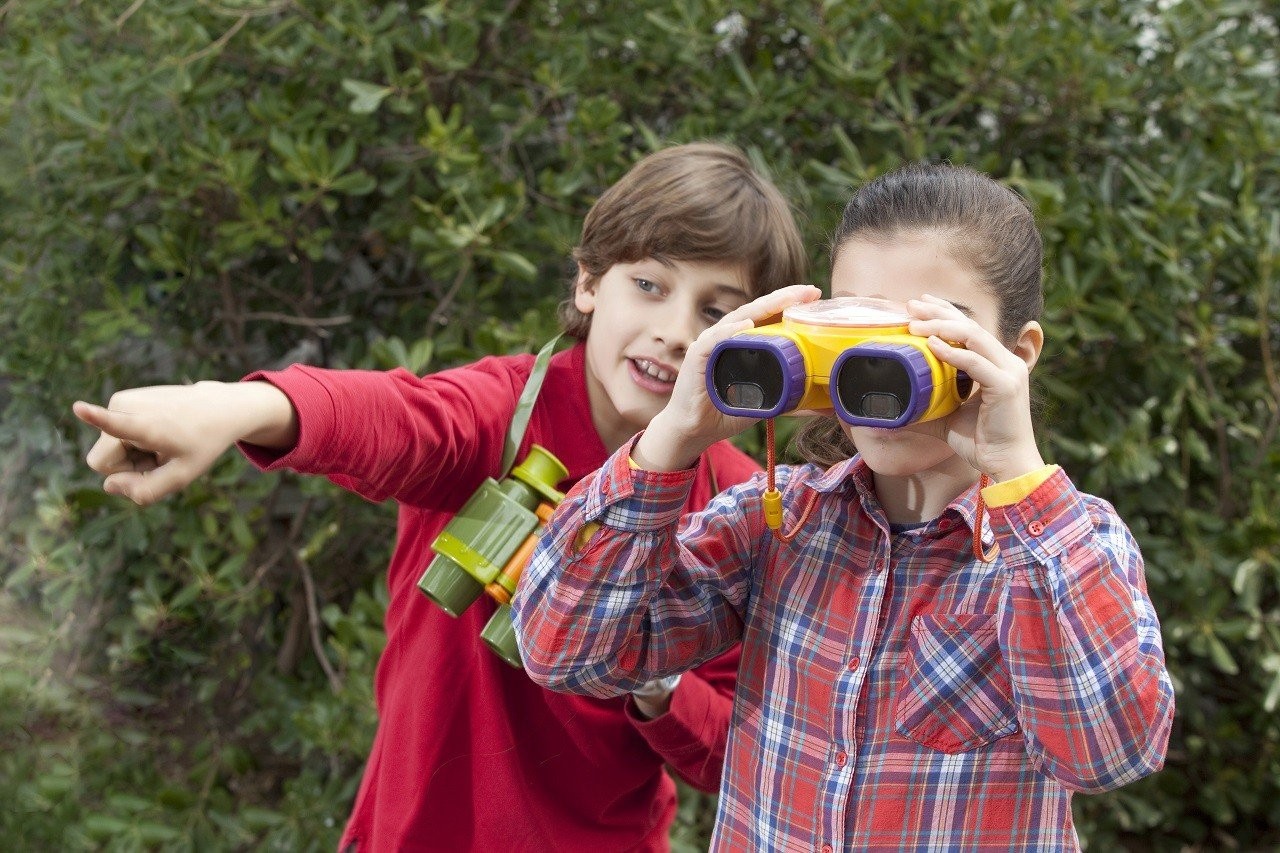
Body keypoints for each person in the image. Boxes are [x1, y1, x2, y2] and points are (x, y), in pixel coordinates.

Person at [71, 142, 810, 851]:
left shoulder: (739, 500)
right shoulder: (501, 414)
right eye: (648, 285)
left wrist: (654, 676)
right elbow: (391, 420)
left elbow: (739, 752)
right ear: (588, 282)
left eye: (716, 312)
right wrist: (234, 408)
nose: (676, 332)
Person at [515, 163, 1175, 851]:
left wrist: (1018, 476)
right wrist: (668, 441)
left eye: (927, 332)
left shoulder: (1069, 543)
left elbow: (1109, 751)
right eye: (859, 326)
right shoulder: (778, 521)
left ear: (1017, 353)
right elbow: (564, 649)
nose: (881, 365)